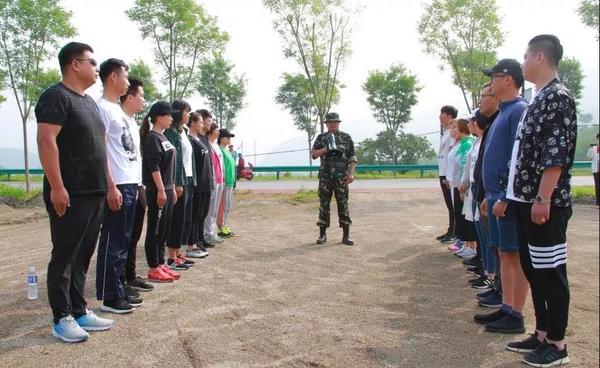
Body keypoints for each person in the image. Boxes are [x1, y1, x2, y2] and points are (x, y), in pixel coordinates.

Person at [505, 34, 577, 367]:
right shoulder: (541, 97)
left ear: (538, 58)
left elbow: (555, 153)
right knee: (535, 270)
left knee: (550, 272)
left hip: (544, 203)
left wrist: (543, 197)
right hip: (525, 199)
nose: (521, 63)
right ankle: (543, 332)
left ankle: (558, 345)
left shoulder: (557, 98)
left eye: (524, 56)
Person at [36, 42, 113, 342]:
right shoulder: (56, 97)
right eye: (92, 62)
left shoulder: (90, 102)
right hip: (70, 192)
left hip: (94, 190)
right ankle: (61, 317)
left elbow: (99, 145)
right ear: (74, 64)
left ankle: (80, 310)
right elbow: (46, 141)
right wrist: (57, 186)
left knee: (83, 255)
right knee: (65, 254)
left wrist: (107, 185)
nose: (97, 68)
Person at [475, 59, 529, 334]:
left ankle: (515, 313)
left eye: (494, 77)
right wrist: (491, 194)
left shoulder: (519, 111)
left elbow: (517, 159)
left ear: (507, 79)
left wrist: (507, 195)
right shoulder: (505, 112)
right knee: (504, 253)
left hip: (508, 197)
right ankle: (507, 306)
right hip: (496, 195)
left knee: (513, 254)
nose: (491, 82)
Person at [94, 58, 144, 314]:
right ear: (113, 76)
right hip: (117, 183)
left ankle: (119, 288)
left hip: (130, 183)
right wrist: (110, 186)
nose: (127, 81)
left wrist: (136, 184)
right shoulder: (102, 108)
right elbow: (101, 149)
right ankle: (109, 296)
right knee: (113, 240)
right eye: (125, 76)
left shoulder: (120, 112)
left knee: (123, 241)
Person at [121, 77, 154, 293]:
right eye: (141, 96)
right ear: (130, 96)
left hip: (137, 183)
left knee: (133, 236)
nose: (143, 100)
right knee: (120, 238)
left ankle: (130, 276)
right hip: (122, 184)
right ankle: (117, 283)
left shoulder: (132, 121)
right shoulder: (113, 115)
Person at [140, 101, 180, 283]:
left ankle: (161, 263)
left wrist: (171, 189)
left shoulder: (164, 138)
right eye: (169, 115)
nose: (172, 118)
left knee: (164, 229)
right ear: (158, 117)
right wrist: (162, 190)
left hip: (169, 189)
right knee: (155, 230)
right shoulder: (152, 138)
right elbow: (154, 167)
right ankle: (153, 267)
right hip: (158, 190)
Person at [471, 86, 503, 309]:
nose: (481, 100)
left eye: (484, 96)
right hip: (486, 193)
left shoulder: (509, 117)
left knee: (502, 247)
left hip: (497, 195)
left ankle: (499, 289)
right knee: (491, 241)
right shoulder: (494, 126)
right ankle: (496, 286)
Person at [311, 112, 357, 245]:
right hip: (325, 177)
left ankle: (346, 235)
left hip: (341, 177)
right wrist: (326, 149)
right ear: (326, 124)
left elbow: (352, 158)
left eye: (334, 122)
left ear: (338, 123)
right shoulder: (321, 138)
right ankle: (322, 235)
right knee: (324, 205)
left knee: (343, 204)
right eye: (329, 122)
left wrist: (351, 173)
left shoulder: (346, 138)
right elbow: (313, 154)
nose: (332, 124)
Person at [164, 100, 196, 270]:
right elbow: (173, 161)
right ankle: (171, 257)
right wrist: (176, 182)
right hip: (179, 182)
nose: (189, 115)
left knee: (184, 219)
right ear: (178, 112)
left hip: (188, 179)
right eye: (186, 111)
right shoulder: (172, 132)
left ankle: (178, 254)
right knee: (176, 219)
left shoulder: (183, 132)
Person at [446, 119, 476, 258]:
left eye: (455, 128)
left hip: (463, 186)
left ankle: (470, 247)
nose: (452, 130)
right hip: (457, 184)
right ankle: (466, 244)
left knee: (466, 217)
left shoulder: (467, 143)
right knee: (461, 215)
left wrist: (464, 185)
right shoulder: (461, 143)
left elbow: (466, 167)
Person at [185, 111, 210, 258]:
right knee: (194, 217)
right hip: (197, 184)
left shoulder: (200, 139)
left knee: (201, 215)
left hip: (205, 184)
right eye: (200, 122)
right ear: (193, 123)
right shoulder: (190, 140)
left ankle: (198, 241)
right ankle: (192, 245)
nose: (202, 125)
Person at [437, 105, 459, 243]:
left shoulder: (453, 133)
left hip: (448, 175)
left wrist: (447, 176)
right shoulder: (446, 132)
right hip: (443, 173)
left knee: (453, 205)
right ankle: (451, 230)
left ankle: (454, 232)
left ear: (449, 116)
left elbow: (452, 153)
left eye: (442, 114)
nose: (439, 116)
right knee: (449, 205)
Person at [204, 123, 225, 245]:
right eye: (216, 130)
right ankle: (207, 233)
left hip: (220, 180)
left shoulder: (215, 145)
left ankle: (212, 232)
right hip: (212, 180)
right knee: (209, 209)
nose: (218, 132)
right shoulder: (207, 144)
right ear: (211, 132)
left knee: (215, 209)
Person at [218, 129, 236, 237]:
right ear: (221, 138)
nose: (229, 139)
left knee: (227, 206)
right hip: (224, 183)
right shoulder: (220, 150)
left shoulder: (227, 151)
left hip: (230, 182)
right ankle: (221, 227)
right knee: (222, 206)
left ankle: (224, 225)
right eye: (227, 137)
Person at [587, 133, 599, 208]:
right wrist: (591, 149)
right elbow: (589, 157)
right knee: (597, 187)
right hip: (596, 170)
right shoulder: (594, 148)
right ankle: (598, 203)